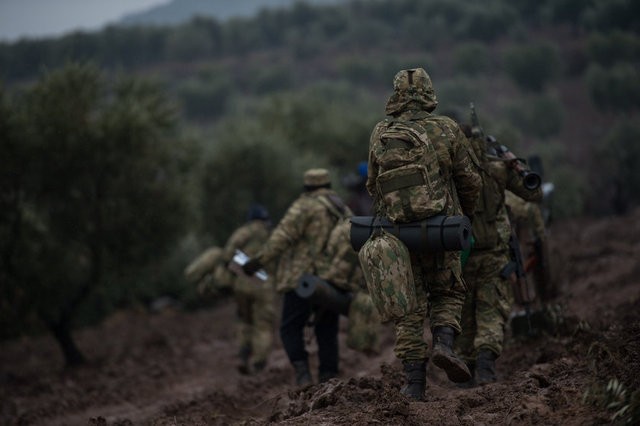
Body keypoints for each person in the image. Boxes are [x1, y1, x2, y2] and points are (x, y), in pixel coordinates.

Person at [365, 67, 482, 401]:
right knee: (447, 292)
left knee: (409, 308)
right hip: (441, 229)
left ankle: (414, 383)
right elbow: (470, 180)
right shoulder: (446, 128)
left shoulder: (381, 132)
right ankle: (444, 344)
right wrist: (464, 217)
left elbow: (373, 185)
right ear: (430, 93)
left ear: (396, 95)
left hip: (398, 233)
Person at [242, 168, 351, 385]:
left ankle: (303, 375)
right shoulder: (341, 209)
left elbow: (281, 238)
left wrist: (256, 262)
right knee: (327, 329)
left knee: (290, 328)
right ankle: (328, 378)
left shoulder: (304, 206)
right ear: (328, 185)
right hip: (332, 280)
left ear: (307, 187)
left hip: (301, 280)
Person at [455, 120, 543, 387]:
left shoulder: (450, 170)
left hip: (462, 254)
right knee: (491, 312)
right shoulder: (497, 168)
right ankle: (485, 367)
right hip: (494, 254)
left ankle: (465, 373)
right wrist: (513, 160)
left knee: (463, 315)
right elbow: (534, 192)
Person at [222, 203, 276, 375]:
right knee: (263, 325)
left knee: (244, 321)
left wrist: (243, 265)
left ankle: (243, 356)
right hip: (264, 285)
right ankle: (259, 364)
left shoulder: (243, 232)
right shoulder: (271, 234)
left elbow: (227, 254)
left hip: (243, 283)